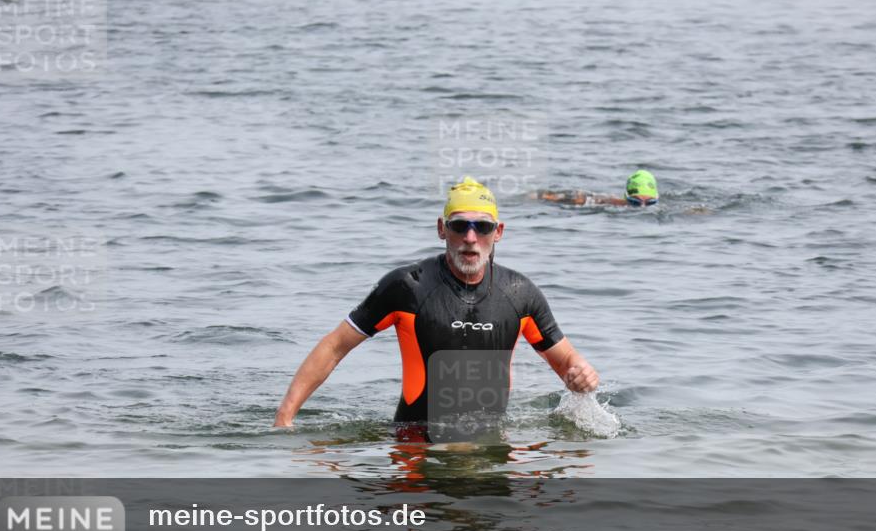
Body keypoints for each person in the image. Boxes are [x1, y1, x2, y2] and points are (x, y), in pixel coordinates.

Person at [274, 176, 600, 428]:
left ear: (498, 232)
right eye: (459, 226)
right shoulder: (407, 287)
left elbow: (566, 361)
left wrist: (581, 376)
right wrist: (284, 419)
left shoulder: (519, 294)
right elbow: (335, 346)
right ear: (442, 229)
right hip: (416, 445)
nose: (470, 238)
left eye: (482, 227)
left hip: (488, 446)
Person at [530, 169, 659, 207]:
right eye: (635, 202)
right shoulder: (602, 202)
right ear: (626, 198)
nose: (642, 207)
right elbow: (544, 195)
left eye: (650, 203)